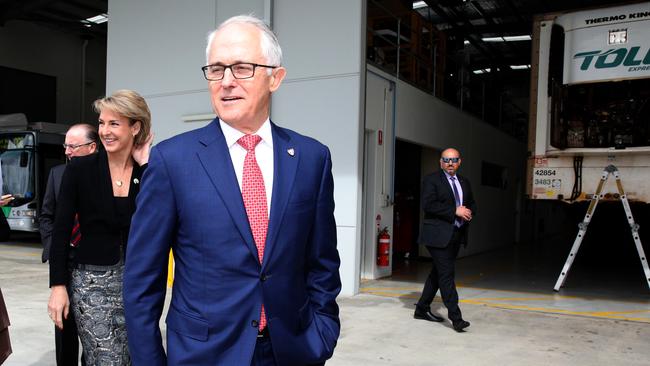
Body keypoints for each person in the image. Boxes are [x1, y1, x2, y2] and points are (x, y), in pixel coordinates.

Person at [123, 15, 341, 366]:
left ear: (276, 77)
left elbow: (322, 263)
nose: (226, 81)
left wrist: (322, 333)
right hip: (205, 354)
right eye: (216, 69)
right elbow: (141, 281)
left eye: (241, 68)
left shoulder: (311, 158)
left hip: (292, 350)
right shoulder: (172, 160)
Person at [48, 90, 152, 365]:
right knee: (106, 358)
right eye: (102, 123)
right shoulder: (80, 169)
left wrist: (148, 165)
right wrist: (58, 286)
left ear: (136, 127)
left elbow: (159, 220)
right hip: (91, 284)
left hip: (137, 285)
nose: (104, 131)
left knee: (133, 358)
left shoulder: (149, 171)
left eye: (114, 123)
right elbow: (60, 230)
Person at [40, 123, 98, 365]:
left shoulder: (105, 175)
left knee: (95, 330)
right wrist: (55, 248)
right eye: (66, 146)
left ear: (92, 147)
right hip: (65, 261)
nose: (67, 151)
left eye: (73, 146)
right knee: (64, 327)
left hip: (96, 265)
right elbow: (46, 216)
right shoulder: (57, 174)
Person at [414, 148, 476, 332]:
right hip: (437, 236)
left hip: (456, 235)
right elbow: (428, 205)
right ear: (441, 162)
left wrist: (469, 212)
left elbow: (471, 203)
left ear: (459, 162)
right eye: (446, 160)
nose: (450, 163)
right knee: (446, 275)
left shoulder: (464, 182)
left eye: (454, 159)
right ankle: (456, 319)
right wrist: (454, 211)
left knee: (438, 273)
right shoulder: (432, 179)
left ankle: (421, 309)